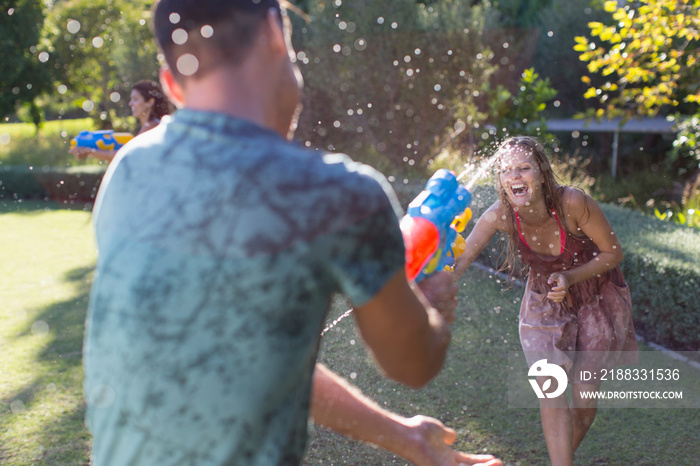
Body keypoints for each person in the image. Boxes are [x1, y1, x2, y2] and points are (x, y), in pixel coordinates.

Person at [82, 1, 489, 465]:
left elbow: (246, 354)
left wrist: (404, 437)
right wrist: (431, 299)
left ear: (172, 84)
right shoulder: (336, 195)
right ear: (276, 33)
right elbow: (412, 362)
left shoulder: (131, 170)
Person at [454, 136, 638, 466]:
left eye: (523, 168)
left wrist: (570, 278)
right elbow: (462, 259)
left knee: (583, 400)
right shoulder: (500, 215)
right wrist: (422, 272)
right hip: (544, 302)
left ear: (541, 172)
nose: (514, 177)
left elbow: (614, 252)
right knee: (549, 386)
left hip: (594, 297)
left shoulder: (573, 203)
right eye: (506, 170)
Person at [70, 80, 172, 162]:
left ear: (150, 102)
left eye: (135, 99)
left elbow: (125, 155)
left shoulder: (151, 126)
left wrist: (89, 152)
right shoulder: (153, 124)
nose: (130, 104)